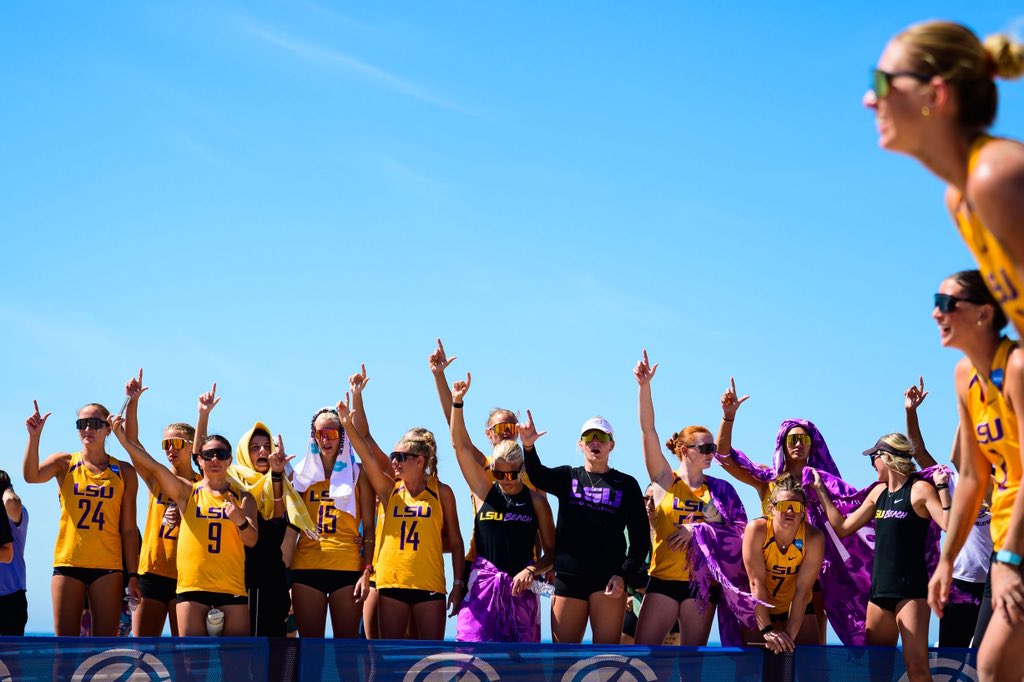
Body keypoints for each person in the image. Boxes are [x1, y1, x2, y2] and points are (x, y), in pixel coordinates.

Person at [865, 21, 1024, 336]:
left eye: (883, 82)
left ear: (935, 96)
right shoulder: (960, 198)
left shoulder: (997, 176)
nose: (870, 99)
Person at [927, 271, 1023, 674]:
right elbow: (970, 476)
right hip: (1008, 537)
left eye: (947, 303)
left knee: (995, 664)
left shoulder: (1017, 366)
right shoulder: (964, 375)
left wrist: (1008, 560)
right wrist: (946, 561)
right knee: (993, 666)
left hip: (1013, 547)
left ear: (985, 313)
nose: (936, 313)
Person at [111, 384, 258, 636]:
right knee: (174, 658)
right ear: (201, 457)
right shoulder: (182, 489)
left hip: (216, 582)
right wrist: (125, 433)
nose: (214, 459)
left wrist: (240, 520)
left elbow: (252, 539)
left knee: (232, 663)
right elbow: (151, 463)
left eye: (221, 455)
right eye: (166, 443)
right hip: (168, 575)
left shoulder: (235, 495)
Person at [813, 434, 949, 682]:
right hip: (879, 595)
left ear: (885, 457)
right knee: (878, 672)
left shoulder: (920, 489)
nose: (872, 465)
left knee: (918, 669)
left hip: (912, 593)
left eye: (873, 459)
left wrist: (942, 487)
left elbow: (949, 524)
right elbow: (843, 528)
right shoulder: (878, 493)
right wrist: (821, 490)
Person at [633, 350, 745, 646]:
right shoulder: (664, 480)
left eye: (712, 449)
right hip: (663, 582)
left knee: (691, 667)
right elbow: (648, 430)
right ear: (684, 450)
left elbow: (739, 533)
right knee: (645, 658)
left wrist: (697, 529)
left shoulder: (720, 491)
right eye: (704, 449)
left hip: (701, 585)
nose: (711, 454)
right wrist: (644, 387)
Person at [336, 393, 464, 640]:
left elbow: (456, 541)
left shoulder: (442, 492)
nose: (393, 461)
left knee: (427, 665)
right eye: (393, 456)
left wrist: (458, 585)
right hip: (391, 583)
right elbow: (367, 455)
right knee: (389, 660)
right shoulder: (389, 490)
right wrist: (346, 425)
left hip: (430, 585)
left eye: (400, 457)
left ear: (419, 461)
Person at [522, 412, 649, 644]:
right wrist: (528, 446)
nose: (595, 442)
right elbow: (537, 475)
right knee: (564, 660)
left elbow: (641, 542)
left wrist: (623, 576)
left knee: (606, 658)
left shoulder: (627, 484)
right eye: (588, 437)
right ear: (580, 445)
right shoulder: (567, 476)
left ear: (612, 445)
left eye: (601, 436)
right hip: (569, 579)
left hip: (608, 580)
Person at [449, 372, 555, 642]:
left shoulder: (537, 500)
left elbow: (553, 552)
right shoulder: (484, 490)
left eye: (512, 474)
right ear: (491, 470)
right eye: (499, 474)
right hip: (483, 585)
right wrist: (457, 404)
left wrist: (532, 570)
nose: (506, 481)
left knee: (519, 667)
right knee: (471, 657)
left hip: (523, 590)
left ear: (522, 469)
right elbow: (459, 446)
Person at [23, 398, 140, 636]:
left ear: (108, 428)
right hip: (69, 563)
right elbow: (31, 476)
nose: (88, 429)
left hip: (108, 567)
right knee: (63, 650)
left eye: (95, 423)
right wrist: (34, 437)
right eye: (82, 423)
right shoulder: (64, 463)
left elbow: (128, 530)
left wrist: (134, 576)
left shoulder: (124, 471)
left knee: (103, 651)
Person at [904, 373, 993, 647]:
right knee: (951, 657)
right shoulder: (951, 481)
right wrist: (910, 412)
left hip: (995, 582)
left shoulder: (1005, 487)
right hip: (959, 582)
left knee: (986, 658)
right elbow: (919, 453)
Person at [122, 370, 201, 637]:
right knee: (141, 653)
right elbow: (132, 443)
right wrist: (133, 401)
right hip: (152, 572)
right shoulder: (156, 477)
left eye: (177, 443)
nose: (170, 449)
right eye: (166, 443)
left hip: (187, 575)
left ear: (192, 447)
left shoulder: (203, 484)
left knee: (186, 659)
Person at [289, 399, 376, 639]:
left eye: (331, 433)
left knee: (345, 652)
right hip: (306, 568)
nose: (325, 440)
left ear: (342, 435)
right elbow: (290, 527)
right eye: (320, 434)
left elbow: (369, 527)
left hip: (347, 569)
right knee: (311, 650)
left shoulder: (358, 473)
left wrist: (367, 570)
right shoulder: (301, 475)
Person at [743, 473, 824, 655]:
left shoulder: (813, 538)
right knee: (750, 672)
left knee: (813, 670)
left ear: (804, 510)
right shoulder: (757, 529)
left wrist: (788, 636)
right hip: (761, 606)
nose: (790, 511)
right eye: (784, 506)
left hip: (795, 607)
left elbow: (803, 592)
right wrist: (767, 630)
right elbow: (756, 583)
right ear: (771, 508)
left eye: (795, 506)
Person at [0, 470, 25, 635]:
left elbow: (11, 500)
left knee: (11, 660)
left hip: (11, 595)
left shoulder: (14, 509)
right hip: (11, 593)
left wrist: (6, 487)